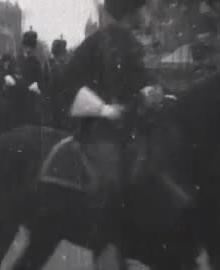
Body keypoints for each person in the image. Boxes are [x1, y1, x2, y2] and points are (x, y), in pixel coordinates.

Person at [51, 0, 164, 207]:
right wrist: (103, 109)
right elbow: (67, 84)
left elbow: (143, 83)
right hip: (101, 131)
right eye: (145, 7)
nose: (149, 13)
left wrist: (157, 94)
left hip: (136, 128)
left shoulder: (137, 44)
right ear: (132, 11)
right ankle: (100, 234)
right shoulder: (96, 44)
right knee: (109, 182)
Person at [43, 35, 70, 129]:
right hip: (55, 104)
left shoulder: (62, 66)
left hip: (59, 104)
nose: (63, 57)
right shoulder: (51, 66)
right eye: (61, 54)